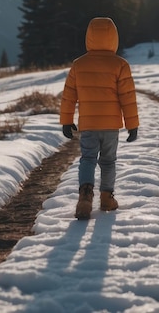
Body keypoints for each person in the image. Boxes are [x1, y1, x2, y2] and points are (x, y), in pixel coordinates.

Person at [60, 17, 139, 220]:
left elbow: (69, 95)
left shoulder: (79, 65)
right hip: (111, 126)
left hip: (88, 125)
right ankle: (106, 197)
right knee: (108, 161)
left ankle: (85, 196)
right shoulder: (120, 64)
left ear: (89, 37)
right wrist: (132, 125)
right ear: (114, 38)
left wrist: (66, 120)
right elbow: (127, 98)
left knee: (88, 159)